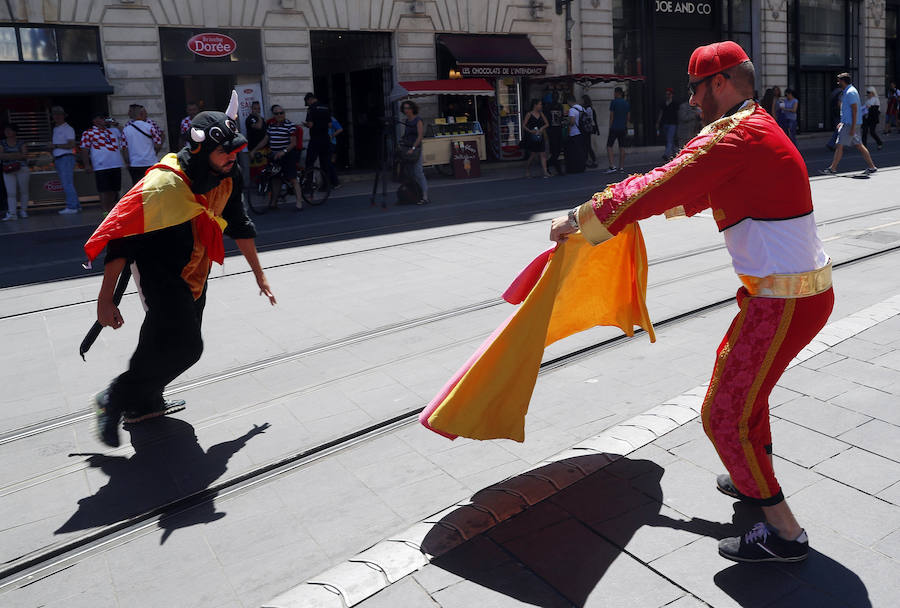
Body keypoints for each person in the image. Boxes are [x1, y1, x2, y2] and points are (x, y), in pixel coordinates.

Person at [550, 41, 834, 564]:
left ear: (719, 83)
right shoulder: (756, 125)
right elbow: (693, 191)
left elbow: (667, 182)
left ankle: (784, 533)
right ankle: (753, 480)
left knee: (722, 412)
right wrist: (632, 214)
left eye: (694, 89)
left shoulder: (734, 135)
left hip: (783, 300)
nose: (691, 100)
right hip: (786, 295)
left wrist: (584, 217)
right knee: (749, 396)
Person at [84, 92, 276, 448]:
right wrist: (105, 299)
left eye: (235, 150)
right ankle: (114, 396)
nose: (233, 156)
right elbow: (121, 240)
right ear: (201, 150)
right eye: (226, 151)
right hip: (159, 269)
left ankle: (144, 402)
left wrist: (259, 274)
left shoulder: (228, 175)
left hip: (197, 268)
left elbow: (239, 223)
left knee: (159, 339)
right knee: (188, 347)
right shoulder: (162, 185)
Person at [821, 73, 877, 175]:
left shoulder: (850, 92)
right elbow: (847, 110)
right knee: (859, 145)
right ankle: (872, 167)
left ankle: (832, 168)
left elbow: (855, 110)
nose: (838, 83)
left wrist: (852, 127)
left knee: (839, 145)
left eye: (839, 81)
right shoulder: (848, 91)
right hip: (848, 123)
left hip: (850, 124)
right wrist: (842, 122)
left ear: (844, 81)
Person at [249, 105, 303, 211]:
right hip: (275, 156)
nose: (279, 115)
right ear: (274, 115)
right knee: (275, 178)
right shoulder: (271, 125)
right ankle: (274, 202)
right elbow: (265, 140)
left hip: (288, 155)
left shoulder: (290, 125)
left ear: (284, 113)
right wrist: (254, 150)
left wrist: (284, 151)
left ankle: (299, 201)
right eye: (276, 113)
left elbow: (293, 143)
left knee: (292, 178)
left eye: (281, 113)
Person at [80, 113, 126, 213]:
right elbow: (84, 149)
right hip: (101, 166)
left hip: (115, 164)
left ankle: (111, 209)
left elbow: (125, 132)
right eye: (101, 117)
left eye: (105, 118)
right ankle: (106, 210)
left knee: (115, 189)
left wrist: (115, 123)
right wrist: (87, 165)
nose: (104, 120)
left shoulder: (113, 131)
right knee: (104, 190)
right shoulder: (88, 133)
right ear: (94, 120)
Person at [303, 92, 339, 189]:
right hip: (325, 139)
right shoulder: (326, 107)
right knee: (325, 163)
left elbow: (310, 125)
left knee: (309, 163)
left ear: (309, 99)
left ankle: (308, 187)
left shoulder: (311, 109)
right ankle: (326, 186)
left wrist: (305, 124)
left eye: (307, 102)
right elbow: (330, 125)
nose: (308, 104)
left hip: (315, 139)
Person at [51, 106, 80, 215]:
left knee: (67, 183)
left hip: (66, 157)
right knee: (68, 183)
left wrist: (55, 146)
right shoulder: (56, 128)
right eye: (55, 114)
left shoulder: (68, 128)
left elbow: (71, 144)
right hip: (61, 158)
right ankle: (76, 205)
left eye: (59, 114)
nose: (57, 116)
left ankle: (72, 206)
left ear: (63, 116)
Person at [123, 105, 163, 184]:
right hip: (150, 162)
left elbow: (124, 148)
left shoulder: (126, 129)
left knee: (138, 188)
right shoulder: (150, 127)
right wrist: (153, 153)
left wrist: (127, 162)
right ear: (141, 114)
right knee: (152, 185)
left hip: (135, 164)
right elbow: (158, 144)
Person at [399, 99, 428, 205]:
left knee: (418, 172)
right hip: (407, 148)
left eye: (408, 108)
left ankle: (425, 196)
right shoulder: (407, 121)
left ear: (412, 109)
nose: (406, 110)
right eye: (404, 108)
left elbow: (420, 136)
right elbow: (407, 135)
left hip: (416, 149)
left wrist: (413, 148)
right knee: (411, 173)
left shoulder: (418, 120)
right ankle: (416, 194)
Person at [1, 124, 29, 221]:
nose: (7, 132)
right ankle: (12, 213)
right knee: (11, 192)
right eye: (6, 130)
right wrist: (17, 155)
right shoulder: (2, 142)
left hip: (22, 169)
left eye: (9, 130)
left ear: (15, 132)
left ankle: (23, 211)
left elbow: (24, 155)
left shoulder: (21, 142)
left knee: (23, 190)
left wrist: (8, 155)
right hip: (8, 169)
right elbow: (1, 156)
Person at [522, 99, 550, 179]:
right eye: (540, 104)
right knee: (533, 155)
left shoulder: (541, 113)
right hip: (533, 137)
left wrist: (541, 128)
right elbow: (524, 125)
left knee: (543, 154)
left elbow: (547, 123)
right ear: (535, 105)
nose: (541, 106)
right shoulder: (529, 114)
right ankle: (527, 169)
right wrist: (530, 131)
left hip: (540, 136)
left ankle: (545, 172)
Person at [606, 86, 630, 173]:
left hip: (614, 127)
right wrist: (626, 126)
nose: (614, 94)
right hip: (623, 127)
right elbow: (628, 117)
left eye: (614, 93)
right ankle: (622, 167)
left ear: (617, 93)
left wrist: (610, 126)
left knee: (609, 146)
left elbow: (611, 116)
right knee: (622, 147)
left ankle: (612, 166)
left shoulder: (614, 102)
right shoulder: (626, 103)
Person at [544, 91, 565, 176]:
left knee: (557, 150)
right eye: (555, 96)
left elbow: (562, 117)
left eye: (557, 96)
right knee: (554, 151)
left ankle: (549, 164)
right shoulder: (548, 106)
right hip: (552, 131)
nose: (556, 98)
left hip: (558, 130)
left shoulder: (560, 106)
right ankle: (556, 168)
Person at [566, 94, 588, 174]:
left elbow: (572, 122)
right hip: (582, 132)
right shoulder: (582, 108)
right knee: (581, 151)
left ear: (569, 101)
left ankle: (576, 167)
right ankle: (582, 166)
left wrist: (567, 122)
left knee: (575, 152)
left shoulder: (572, 110)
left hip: (575, 133)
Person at [657, 87, 679, 160]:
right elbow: (661, 113)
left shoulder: (675, 103)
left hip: (673, 123)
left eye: (669, 94)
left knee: (669, 139)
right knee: (669, 139)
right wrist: (658, 122)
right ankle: (675, 153)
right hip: (665, 123)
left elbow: (677, 113)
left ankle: (666, 154)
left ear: (672, 95)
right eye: (667, 94)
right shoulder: (663, 103)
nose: (668, 95)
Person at [861, 86, 883, 150]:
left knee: (872, 132)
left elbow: (877, 110)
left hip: (872, 118)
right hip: (866, 118)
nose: (868, 94)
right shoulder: (867, 100)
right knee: (864, 131)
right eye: (867, 93)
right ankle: (864, 146)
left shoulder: (876, 100)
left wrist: (870, 108)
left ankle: (879, 142)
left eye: (869, 92)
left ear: (873, 93)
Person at [581, 94, 599, 168]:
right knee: (587, 146)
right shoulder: (588, 108)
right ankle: (588, 160)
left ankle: (593, 160)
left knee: (588, 146)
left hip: (587, 129)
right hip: (588, 129)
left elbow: (588, 119)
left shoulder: (588, 109)